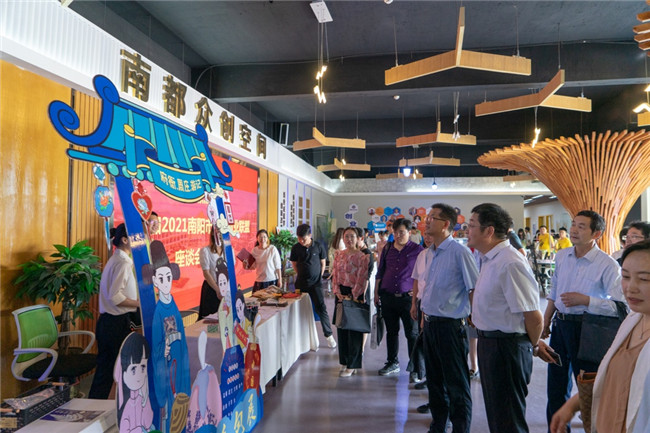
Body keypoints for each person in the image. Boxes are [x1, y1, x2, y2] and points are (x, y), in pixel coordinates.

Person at [548, 240, 650, 433]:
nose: (631, 287)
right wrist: (573, 405)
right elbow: (611, 377)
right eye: (626, 276)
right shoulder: (632, 321)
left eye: (644, 279)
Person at [542, 210, 622, 433]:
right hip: (560, 326)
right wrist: (546, 320)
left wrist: (586, 300)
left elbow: (619, 306)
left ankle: (594, 428)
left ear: (596, 233)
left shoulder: (607, 264)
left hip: (588, 329)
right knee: (556, 385)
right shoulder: (562, 256)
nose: (574, 230)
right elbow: (554, 292)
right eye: (573, 224)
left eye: (581, 226)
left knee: (587, 387)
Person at [467, 203, 543, 433]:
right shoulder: (489, 258)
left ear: (489, 231)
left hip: (507, 348)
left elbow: (533, 316)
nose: (467, 230)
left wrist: (532, 345)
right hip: (490, 344)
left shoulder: (510, 262)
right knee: (498, 416)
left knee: (509, 420)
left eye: (471, 225)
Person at [413, 203, 479, 433]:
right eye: (428, 216)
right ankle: (438, 425)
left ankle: (461, 428)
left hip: (451, 327)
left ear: (446, 224)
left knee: (457, 384)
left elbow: (474, 289)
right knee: (434, 382)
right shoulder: (430, 253)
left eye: (432, 217)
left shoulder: (460, 253)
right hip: (430, 325)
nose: (427, 220)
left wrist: (476, 321)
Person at [89, 223, 140, 399]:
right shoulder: (123, 263)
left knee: (106, 371)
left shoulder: (118, 259)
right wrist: (138, 303)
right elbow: (115, 297)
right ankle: (96, 407)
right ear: (125, 240)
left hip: (110, 322)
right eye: (136, 236)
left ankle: (96, 406)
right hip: (115, 324)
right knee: (109, 371)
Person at [374, 218, 424, 377]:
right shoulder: (388, 248)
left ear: (410, 232)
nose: (398, 235)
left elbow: (424, 273)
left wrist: (418, 292)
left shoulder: (418, 250)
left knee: (412, 334)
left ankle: (414, 368)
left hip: (408, 299)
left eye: (401, 232)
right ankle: (392, 362)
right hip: (388, 296)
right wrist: (376, 292)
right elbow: (380, 271)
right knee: (391, 331)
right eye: (395, 232)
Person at [331, 227, 370, 377]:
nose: (349, 239)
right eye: (346, 236)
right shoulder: (339, 254)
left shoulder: (362, 257)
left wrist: (353, 294)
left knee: (354, 330)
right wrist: (337, 291)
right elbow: (335, 274)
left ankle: (353, 364)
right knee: (341, 327)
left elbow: (362, 278)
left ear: (358, 238)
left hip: (355, 294)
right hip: (340, 293)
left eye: (352, 236)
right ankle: (344, 361)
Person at [290, 223, 337, 348]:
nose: (301, 241)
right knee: (299, 309)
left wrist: (318, 277)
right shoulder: (296, 248)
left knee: (321, 308)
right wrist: (301, 274)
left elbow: (322, 263)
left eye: (303, 239)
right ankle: (301, 337)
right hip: (301, 284)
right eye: (299, 238)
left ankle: (329, 335)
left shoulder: (318, 246)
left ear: (310, 235)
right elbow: (294, 264)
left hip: (316, 284)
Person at [198, 226, 224, 319]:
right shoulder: (205, 251)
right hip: (211, 289)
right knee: (211, 321)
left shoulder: (228, 251)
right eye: (218, 230)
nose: (220, 233)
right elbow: (206, 273)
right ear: (213, 233)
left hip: (225, 288)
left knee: (225, 318)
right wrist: (217, 290)